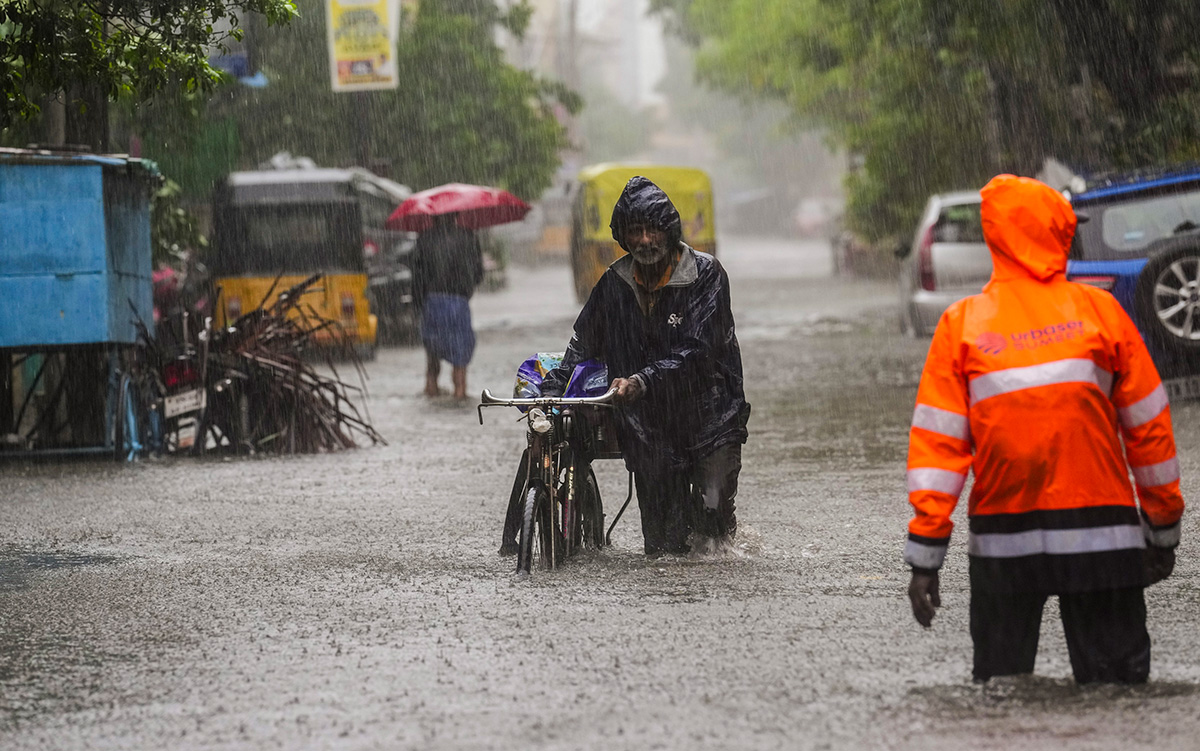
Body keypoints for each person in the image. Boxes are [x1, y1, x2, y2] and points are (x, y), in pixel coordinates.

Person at [904, 174, 1185, 683]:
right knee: (1117, 698)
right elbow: (1150, 431)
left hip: (1004, 544)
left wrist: (926, 558)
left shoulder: (961, 325)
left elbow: (939, 450)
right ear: (1060, 231)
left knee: (1002, 697)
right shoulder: (1101, 313)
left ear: (993, 238)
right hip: (1104, 539)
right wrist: (1162, 532)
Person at [538, 176, 750, 555]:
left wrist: (643, 379)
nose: (645, 240)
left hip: (712, 416)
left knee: (712, 521)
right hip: (648, 425)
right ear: (623, 237)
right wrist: (551, 389)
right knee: (661, 546)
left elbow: (700, 351)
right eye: (635, 231)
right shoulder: (614, 284)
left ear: (669, 232)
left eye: (653, 230)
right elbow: (583, 346)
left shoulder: (707, 276)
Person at [408, 213, 484, 399]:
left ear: (432, 217)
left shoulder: (424, 238)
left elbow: (417, 277)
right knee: (460, 351)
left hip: (432, 301)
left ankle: (431, 387)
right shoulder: (468, 237)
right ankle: (460, 391)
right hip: (458, 302)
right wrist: (466, 287)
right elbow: (479, 273)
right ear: (456, 216)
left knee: (432, 348)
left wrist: (417, 303)